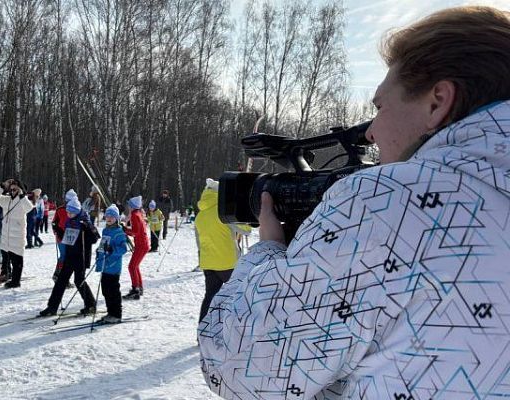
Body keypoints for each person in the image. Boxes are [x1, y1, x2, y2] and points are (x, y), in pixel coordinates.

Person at [198, 7, 510, 399]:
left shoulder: (392, 203)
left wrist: (269, 252)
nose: (373, 132)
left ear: (438, 102)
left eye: (380, 108)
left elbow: (240, 369)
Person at [39, 198, 98, 317]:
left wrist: (86, 227)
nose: (68, 215)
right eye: (68, 212)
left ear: (77, 211)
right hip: (70, 256)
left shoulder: (84, 221)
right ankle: (52, 307)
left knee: (79, 281)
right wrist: (58, 229)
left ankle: (91, 305)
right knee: (61, 280)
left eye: (71, 213)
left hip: (80, 257)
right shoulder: (69, 222)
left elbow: (95, 237)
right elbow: (67, 238)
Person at [194, 179, 239, 322]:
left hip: (208, 262)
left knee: (210, 296)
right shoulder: (223, 211)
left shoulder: (200, 215)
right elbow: (247, 230)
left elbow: (198, 242)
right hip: (227, 261)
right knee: (237, 294)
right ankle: (234, 329)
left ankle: (202, 330)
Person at [0, 179, 34, 288]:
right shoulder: (7, 200)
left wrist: (22, 196)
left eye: (15, 189)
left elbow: (29, 208)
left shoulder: (23, 201)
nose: (12, 191)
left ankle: (16, 281)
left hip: (17, 236)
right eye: (11, 189)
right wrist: (3, 185)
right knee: (5, 257)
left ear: (19, 189)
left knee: (17, 260)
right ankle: (6, 273)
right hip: (6, 236)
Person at [94, 204, 127, 323]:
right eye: (107, 216)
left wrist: (112, 250)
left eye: (112, 217)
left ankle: (116, 314)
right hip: (105, 265)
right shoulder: (105, 230)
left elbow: (123, 249)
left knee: (113, 291)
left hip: (113, 267)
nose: (109, 218)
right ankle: (110, 312)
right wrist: (99, 250)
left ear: (117, 218)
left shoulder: (119, 233)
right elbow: (103, 244)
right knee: (105, 290)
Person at [122, 195, 149, 300]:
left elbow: (135, 232)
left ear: (132, 206)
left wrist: (125, 230)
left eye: (129, 205)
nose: (128, 207)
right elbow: (136, 229)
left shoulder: (134, 215)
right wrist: (126, 228)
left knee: (132, 266)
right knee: (135, 266)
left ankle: (135, 289)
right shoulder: (138, 213)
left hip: (141, 245)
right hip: (143, 244)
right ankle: (139, 287)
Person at [52, 189, 77, 282]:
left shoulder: (76, 210)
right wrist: (57, 231)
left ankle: (62, 277)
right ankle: (58, 275)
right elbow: (54, 222)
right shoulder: (60, 209)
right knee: (64, 256)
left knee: (69, 257)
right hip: (61, 237)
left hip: (72, 237)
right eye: (67, 201)